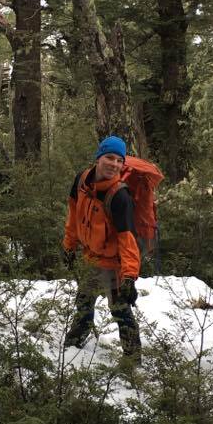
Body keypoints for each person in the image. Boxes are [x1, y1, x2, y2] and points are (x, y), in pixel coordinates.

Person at [61, 135, 142, 359]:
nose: (114, 164)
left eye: (119, 160)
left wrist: (129, 277)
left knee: (120, 310)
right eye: (110, 158)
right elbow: (73, 217)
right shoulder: (81, 181)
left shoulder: (119, 196)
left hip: (113, 265)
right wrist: (68, 246)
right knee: (84, 303)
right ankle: (74, 344)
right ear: (98, 158)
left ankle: (133, 359)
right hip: (90, 258)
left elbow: (128, 241)